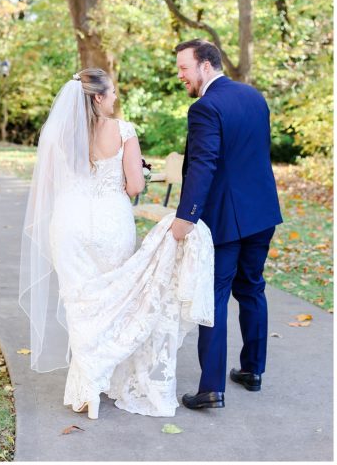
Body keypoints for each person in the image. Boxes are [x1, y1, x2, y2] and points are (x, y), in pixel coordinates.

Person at [19, 68, 215, 419]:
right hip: (111, 224)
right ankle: (106, 377)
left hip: (69, 224)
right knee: (114, 302)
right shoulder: (123, 130)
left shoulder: (57, 134)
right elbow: (135, 187)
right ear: (98, 97)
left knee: (81, 304)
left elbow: (49, 185)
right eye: (110, 93)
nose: (114, 98)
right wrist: (138, 169)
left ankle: (86, 391)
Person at [170, 39, 283, 410]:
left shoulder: (205, 107)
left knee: (214, 297)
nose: (180, 75)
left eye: (184, 68)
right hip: (262, 211)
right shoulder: (254, 97)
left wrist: (185, 217)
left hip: (226, 219)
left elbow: (204, 164)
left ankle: (210, 388)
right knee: (252, 288)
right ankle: (252, 371)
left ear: (206, 66)